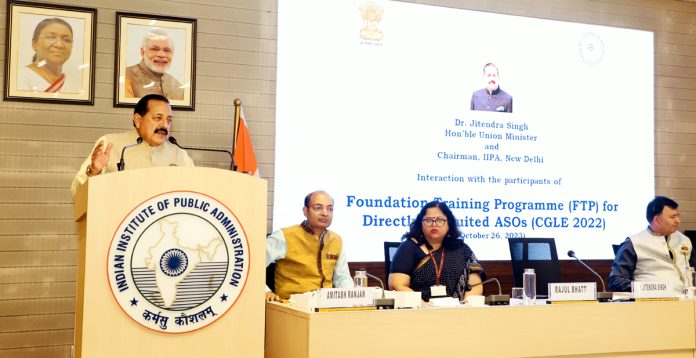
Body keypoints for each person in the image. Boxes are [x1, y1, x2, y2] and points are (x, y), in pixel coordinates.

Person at [71, 94, 194, 197]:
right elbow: (76, 193)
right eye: (158, 118)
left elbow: (195, 193)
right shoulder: (110, 145)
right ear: (138, 120)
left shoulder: (179, 154)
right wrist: (93, 171)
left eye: (169, 120)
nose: (164, 125)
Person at [388, 200, 485, 302]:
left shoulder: (461, 249)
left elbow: (475, 285)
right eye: (428, 220)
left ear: (449, 223)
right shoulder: (409, 247)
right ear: (421, 223)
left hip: (457, 311)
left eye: (440, 220)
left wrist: (465, 306)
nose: (434, 224)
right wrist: (423, 306)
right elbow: (396, 285)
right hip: (419, 310)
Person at [265, 191, 353, 301]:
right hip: (291, 307)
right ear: (305, 211)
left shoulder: (336, 240)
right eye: (318, 208)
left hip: (325, 307)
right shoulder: (283, 236)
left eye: (330, 209)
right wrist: (266, 292)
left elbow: (342, 279)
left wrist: (353, 299)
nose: (325, 213)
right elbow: (254, 266)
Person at [608, 196, 694, 294]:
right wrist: (646, 289)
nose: (678, 220)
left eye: (678, 216)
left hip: (688, 301)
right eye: (672, 217)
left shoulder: (684, 240)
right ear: (657, 220)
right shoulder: (634, 243)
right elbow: (615, 280)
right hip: (651, 303)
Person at [19, 17, 81, 93]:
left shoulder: (76, 86)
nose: (59, 45)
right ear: (34, 43)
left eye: (66, 40)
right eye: (51, 37)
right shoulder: (19, 78)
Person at [124, 29, 184, 100]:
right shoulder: (127, 76)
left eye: (167, 50)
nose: (161, 55)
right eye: (154, 49)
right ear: (143, 52)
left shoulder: (178, 87)